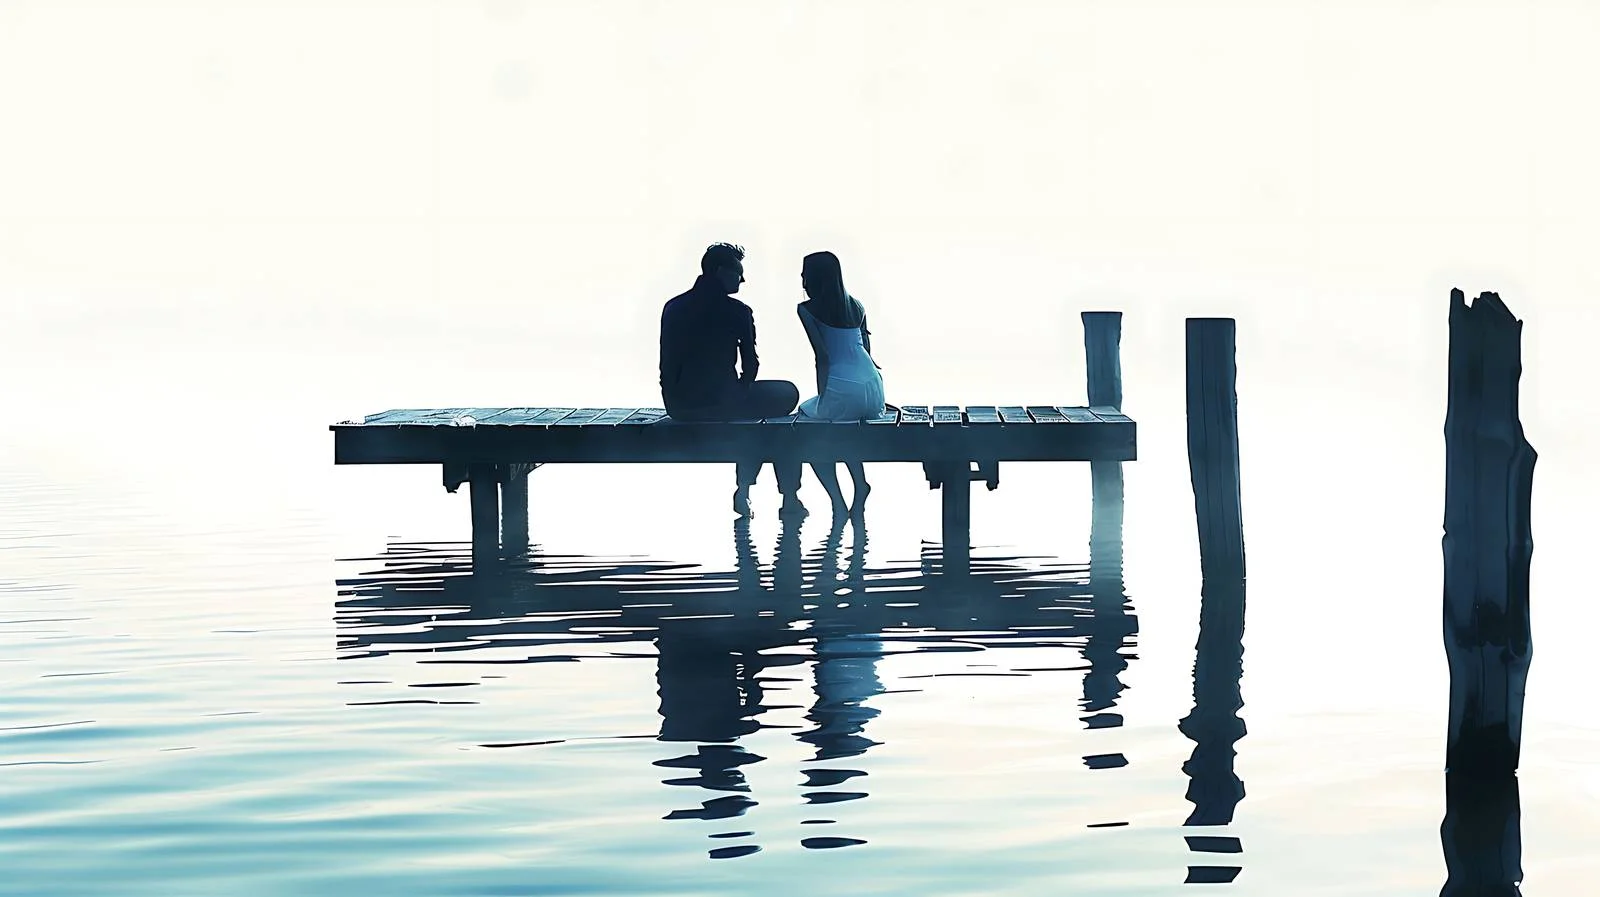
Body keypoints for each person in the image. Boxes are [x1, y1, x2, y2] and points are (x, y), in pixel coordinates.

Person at [660, 242, 806, 519]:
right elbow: (751, 365)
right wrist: (739, 390)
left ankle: (748, 490)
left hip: (680, 405)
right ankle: (784, 496)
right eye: (738, 272)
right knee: (785, 400)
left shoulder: (673, 307)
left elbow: (666, 364)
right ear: (720, 271)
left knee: (754, 420)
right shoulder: (738, 311)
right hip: (722, 403)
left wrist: (674, 401)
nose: (743, 278)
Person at [795, 250, 886, 517]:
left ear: (813, 277)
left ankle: (837, 501)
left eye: (803, 274)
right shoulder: (856, 305)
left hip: (842, 388)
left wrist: (823, 395)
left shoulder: (806, 309)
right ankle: (860, 483)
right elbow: (866, 348)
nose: (801, 279)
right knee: (844, 428)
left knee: (808, 434)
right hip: (872, 387)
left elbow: (821, 356)